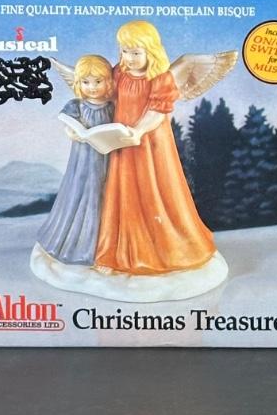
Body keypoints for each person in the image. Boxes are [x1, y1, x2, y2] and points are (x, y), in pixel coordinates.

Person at [93, 21, 218, 276]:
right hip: (124, 144)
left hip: (151, 145)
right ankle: (116, 253)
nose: (129, 58)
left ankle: (164, 251)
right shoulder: (120, 73)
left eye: (135, 52)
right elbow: (108, 96)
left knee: (155, 190)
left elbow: (157, 113)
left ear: (151, 51)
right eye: (124, 51)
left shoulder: (161, 79)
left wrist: (139, 131)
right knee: (123, 192)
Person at [35, 55, 114, 265]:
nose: (92, 87)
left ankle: (101, 246)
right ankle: (75, 244)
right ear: (78, 83)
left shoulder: (112, 106)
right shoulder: (76, 105)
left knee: (103, 194)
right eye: (86, 82)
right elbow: (68, 125)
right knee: (80, 192)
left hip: (107, 158)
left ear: (109, 82)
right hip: (83, 161)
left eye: (98, 81)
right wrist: (73, 132)